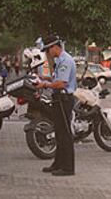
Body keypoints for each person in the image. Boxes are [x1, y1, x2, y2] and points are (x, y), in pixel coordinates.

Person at [36, 35, 77, 176]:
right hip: (59, 99)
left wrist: (45, 84)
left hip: (64, 99)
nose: (48, 53)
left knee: (65, 134)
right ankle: (58, 163)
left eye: (48, 49)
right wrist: (44, 78)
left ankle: (68, 167)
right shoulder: (60, 60)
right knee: (59, 133)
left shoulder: (65, 60)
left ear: (55, 47)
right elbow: (57, 79)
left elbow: (61, 83)